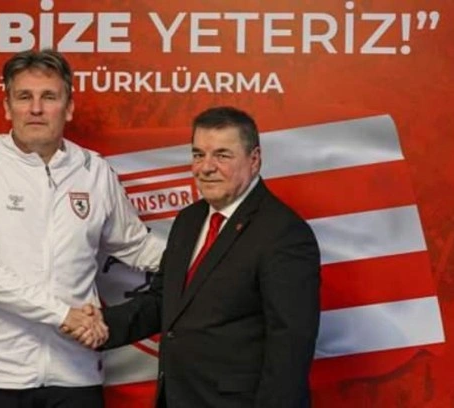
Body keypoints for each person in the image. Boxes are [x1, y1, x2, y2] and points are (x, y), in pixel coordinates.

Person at [0, 49, 164, 408]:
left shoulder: (94, 169)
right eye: (24, 97)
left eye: (49, 97)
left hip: (75, 372)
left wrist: (205, 260)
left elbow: (136, 245)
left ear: (69, 107)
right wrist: (63, 314)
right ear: (7, 107)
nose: (36, 108)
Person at [71, 107, 321, 407]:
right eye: (198, 154)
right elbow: (163, 301)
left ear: (254, 159)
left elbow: (290, 346)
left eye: (222, 155)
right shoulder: (189, 220)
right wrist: (100, 324)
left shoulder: (284, 233)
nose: (206, 167)